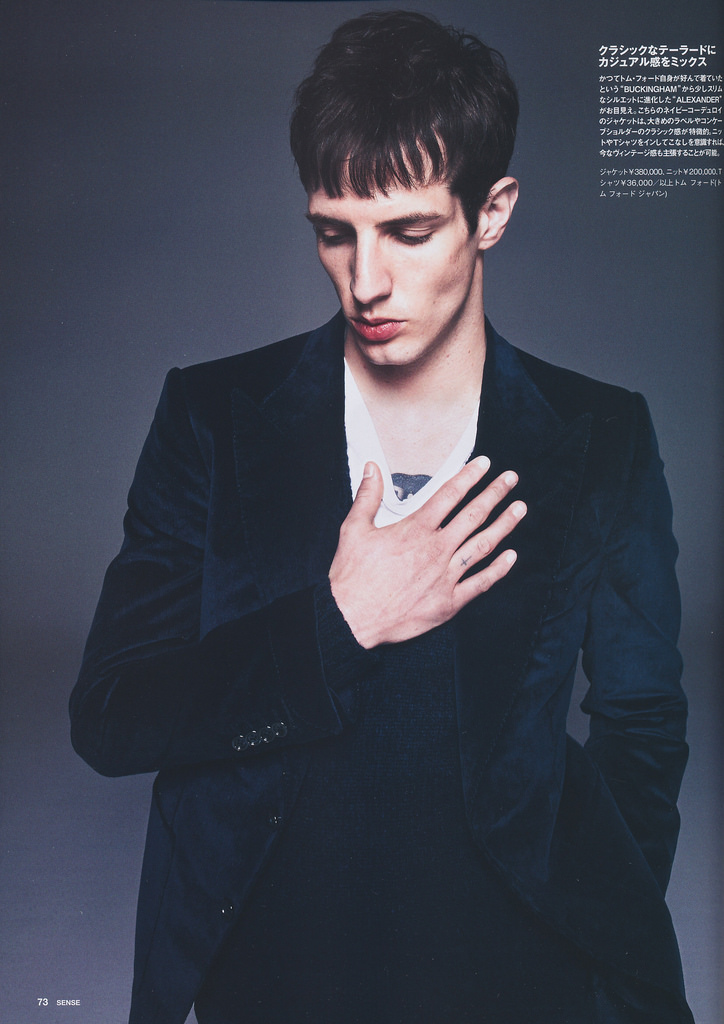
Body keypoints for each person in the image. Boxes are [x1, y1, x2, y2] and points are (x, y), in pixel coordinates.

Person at [70, 11, 692, 1024]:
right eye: (334, 232)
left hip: (520, 980)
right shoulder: (213, 418)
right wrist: (336, 624)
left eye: (408, 231)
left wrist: (587, 925)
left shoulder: (600, 436)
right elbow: (111, 713)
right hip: (278, 973)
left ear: (492, 213)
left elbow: (643, 723)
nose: (366, 281)